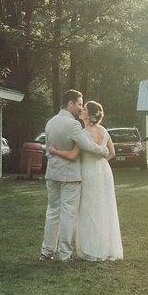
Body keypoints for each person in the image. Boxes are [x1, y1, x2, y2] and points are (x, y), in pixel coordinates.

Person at [48, 101, 124, 261]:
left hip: (88, 172)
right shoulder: (104, 131)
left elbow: (72, 155)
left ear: (88, 114)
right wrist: (100, 160)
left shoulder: (82, 132)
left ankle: (92, 249)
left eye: (84, 109)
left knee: (88, 210)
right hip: (103, 171)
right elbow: (112, 154)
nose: (81, 110)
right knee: (104, 208)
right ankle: (106, 247)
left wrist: (55, 151)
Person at [40, 90, 109, 262]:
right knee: (68, 214)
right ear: (70, 104)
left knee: (52, 212)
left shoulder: (50, 122)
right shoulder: (73, 125)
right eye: (79, 104)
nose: (80, 108)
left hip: (52, 173)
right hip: (69, 176)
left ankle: (46, 251)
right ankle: (64, 254)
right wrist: (104, 150)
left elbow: (48, 150)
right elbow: (88, 146)